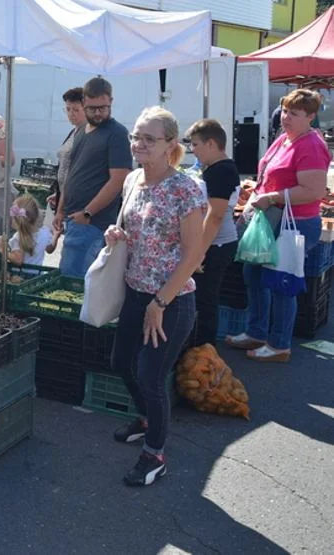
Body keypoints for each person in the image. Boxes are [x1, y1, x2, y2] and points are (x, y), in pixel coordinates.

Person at [106, 107, 205, 487]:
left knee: (151, 375)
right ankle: (147, 418)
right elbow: (128, 227)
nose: (139, 144)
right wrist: (114, 235)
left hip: (171, 301)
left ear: (170, 146)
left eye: (149, 138)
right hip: (135, 290)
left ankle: (155, 453)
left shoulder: (185, 189)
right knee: (120, 363)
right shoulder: (133, 180)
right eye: (136, 136)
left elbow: (194, 255)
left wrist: (160, 303)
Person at [225, 89, 329, 363]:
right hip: (269, 219)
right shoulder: (284, 139)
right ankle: (257, 332)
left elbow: (314, 191)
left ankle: (280, 344)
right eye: (284, 111)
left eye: (294, 113)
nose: (286, 117)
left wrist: (272, 196)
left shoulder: (311, 145)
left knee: (282, 282)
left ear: (311, 117)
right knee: (253, 274)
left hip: (295, 224)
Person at [54, 77, 133, 278]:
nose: (98, 113)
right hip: (75, 219)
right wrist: (60, 210)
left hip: (93, 222)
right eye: (92, 108)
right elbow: (72, 172)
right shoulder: (81, 131)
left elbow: (118, 180)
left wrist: (88, 213)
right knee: (68, 277)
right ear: (84, 103)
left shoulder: (116, 133)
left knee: (76, 282)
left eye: (103, 107)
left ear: (111, 102)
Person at [184, 119, 241, 347]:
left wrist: (199, 252)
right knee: (204, 298)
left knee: (206, 299)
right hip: (213, 244)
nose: (192, 150)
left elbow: (215, 216)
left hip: (215, 245)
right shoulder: (216, 169)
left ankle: (204, 350)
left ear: (211, 143)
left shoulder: (221, 171)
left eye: (195, 144)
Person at [47, 87, 88, 212]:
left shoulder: (87, 135)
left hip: (76, 201)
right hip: (64, 196)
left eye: (76, 110)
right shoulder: (73, 132)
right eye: (68, 109)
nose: (71, 114)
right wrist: (58, 194)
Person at [0, 195, 54, 266]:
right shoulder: (45, 232)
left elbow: (18, 260)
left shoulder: (18, 237)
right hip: (37, 273)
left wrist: (3, 250)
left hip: (19, 275)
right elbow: (50, 249)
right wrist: (56, 236)